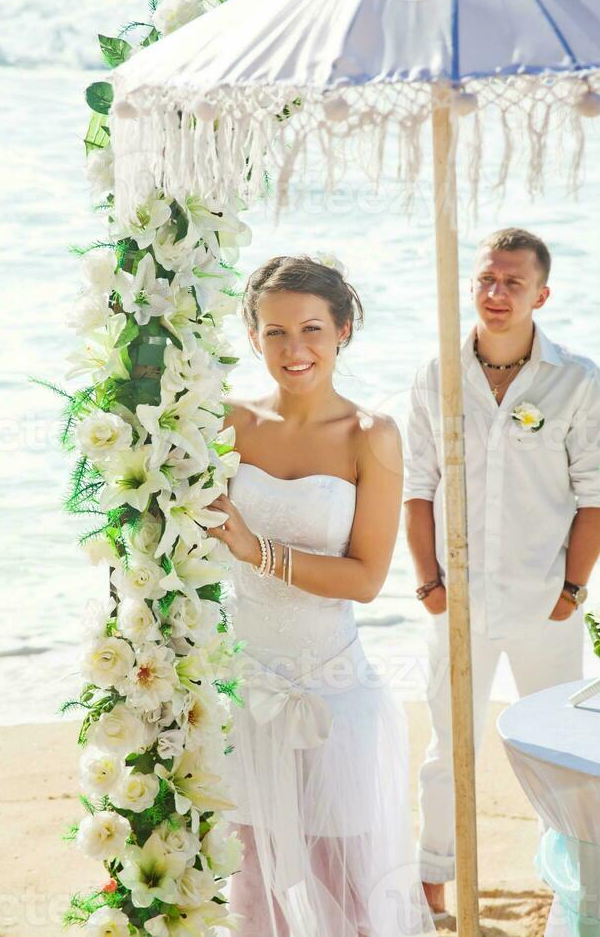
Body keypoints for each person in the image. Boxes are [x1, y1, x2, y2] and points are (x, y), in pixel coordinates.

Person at [204, 255, 434, 937]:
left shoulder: (373, 436)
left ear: (344, 331)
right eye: (274, 333)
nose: (294, 350)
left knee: (348, 893)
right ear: (252, 338)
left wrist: (257, 550)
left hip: (333, 699)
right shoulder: (227, 423)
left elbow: (366, 577)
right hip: (243, 696)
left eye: (310, 329)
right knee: (252, 893)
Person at [403, 227, 600, 918]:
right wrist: (428, 585)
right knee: (447, 745)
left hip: (545, 601)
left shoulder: (576, 379)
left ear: (542, 294)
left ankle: (568, 884)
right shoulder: (435, 372)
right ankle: (430, 884)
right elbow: (417, 484)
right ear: (471, 285)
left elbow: (597, 492)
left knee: (562, 749)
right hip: (456, 602)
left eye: (513, 283)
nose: (496, 295)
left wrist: (573, 590)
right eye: (486, 280)